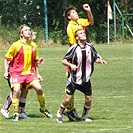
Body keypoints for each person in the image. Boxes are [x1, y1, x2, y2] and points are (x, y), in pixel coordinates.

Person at [3, 24, 52, 122]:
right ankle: (15, 113)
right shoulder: (16, 45)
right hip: (16, 73)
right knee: (16, 91)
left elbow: (35, 60)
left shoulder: (33, 45)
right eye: (26, 30)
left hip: (29, 74)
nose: (29, 31)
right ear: (21, 34)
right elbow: (6, 58)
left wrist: (38, 74)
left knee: (39, 89)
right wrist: (5, 72)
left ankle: (42, 109)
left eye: (30, 30)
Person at [56, 29, 107, 123]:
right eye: (80, 33)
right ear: (76, 37)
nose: (83, 34)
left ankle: (85, 115)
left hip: (86, 79)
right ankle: (59, 113)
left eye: (83, 33)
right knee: (67, 100)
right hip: (74, 79)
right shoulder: (74, 48)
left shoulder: (90, 47)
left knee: (89, 99)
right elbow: (63, 60)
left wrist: (100, 60)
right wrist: (71, 65)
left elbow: (95, 57)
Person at [63, 4, 94, 121]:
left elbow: (90, 21)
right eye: (74, 13)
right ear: (69, 17)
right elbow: (73, 45)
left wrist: (89, 11)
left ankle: (70, 110)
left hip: (83, 58)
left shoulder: (80, 22)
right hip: (75, 60)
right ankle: (69, 110)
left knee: (77, 85)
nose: (76, 14)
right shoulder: (70, 27)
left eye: (76, 12)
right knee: (71, 86)